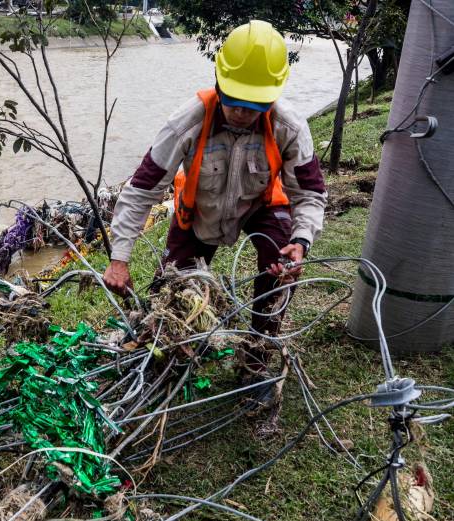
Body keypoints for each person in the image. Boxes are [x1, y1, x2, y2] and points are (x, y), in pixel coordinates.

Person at [104, 20, 327, 365]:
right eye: (234, 102)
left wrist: (301, 240)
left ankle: (258, 353)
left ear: (272, 98)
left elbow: (310, 193)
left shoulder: (290, 127)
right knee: (170, 293)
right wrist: (119, 259)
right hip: (198, 215)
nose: (241, 113)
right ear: (220, 85)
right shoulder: (187, 121)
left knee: (280, 264)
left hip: (262, 207)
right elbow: (142, 190)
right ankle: (168, 356)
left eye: (254, 106)